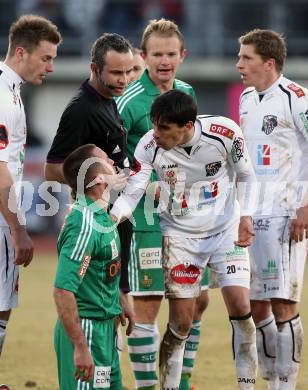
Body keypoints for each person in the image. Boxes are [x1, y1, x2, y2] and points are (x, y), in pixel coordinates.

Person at [111, 90, 259, 390]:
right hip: (179, 237)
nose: (156, 133)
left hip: (225, 230)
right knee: (181, 323)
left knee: (242, 308)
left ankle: (247, 386)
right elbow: (133, 192)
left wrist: (247, 216)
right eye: (154, 125)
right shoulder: (149, 146)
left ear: (187, 125)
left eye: (163, 128)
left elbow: (246, 175)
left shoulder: (225, 132)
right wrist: (109, 219)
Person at [236, 29, 308, 390]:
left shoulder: (298, 98)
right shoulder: (247, 99)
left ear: (269, 62)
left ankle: (286, 384)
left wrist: (306, 205)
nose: (239, 65)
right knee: (255, 305)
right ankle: (268, 376)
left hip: (285, 215)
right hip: (252, 214)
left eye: (246, 58)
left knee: (283, 303)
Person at [115, 19, 209, 390]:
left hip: (188, 215)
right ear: (144, 57)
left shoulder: (186, 92)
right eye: (157, 54)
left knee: (196, 301)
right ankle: (147, 387)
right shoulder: (128, 101)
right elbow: (119, 159)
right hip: (146, 218)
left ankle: (180, 382)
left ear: (182, 56)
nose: (165, 60)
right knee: (149, 303)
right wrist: (149, 184)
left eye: (171, 53)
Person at [0, 15, 61, 390]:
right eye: (46, 58)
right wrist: (19, 228)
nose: (51, 67)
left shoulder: (9, 88)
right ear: (22, 52)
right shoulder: (1, 94)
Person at [44, 32, 134, 313]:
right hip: (97, 221)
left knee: (115, 310)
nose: (124, 79)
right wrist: (102, 177)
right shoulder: (81, 110)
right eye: (116, 72)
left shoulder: (109, 98)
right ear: (95, 69)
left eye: (128, 71)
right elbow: (52, 170)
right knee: (99, 308)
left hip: (114, 216)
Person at [53, 144, 129, 389]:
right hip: (87, 330)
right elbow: (63, 290)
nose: (114, 163)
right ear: (98, 179)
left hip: (106, 330)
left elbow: (98, 268)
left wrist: (119, 301)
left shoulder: (102, 215)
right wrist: (80, 347)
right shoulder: (84, 224)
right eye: (108, 160)